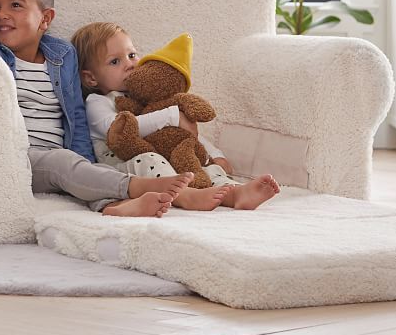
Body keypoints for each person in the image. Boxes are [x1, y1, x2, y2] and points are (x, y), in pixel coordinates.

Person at [0, 0, 195, 217]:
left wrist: (86, 160)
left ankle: (114, 206)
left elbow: (75, 116)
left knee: (83, 169)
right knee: (64, 164)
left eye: (16, 5)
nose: (1, 14)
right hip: (16, 159)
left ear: (45, 18)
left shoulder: (62, 56)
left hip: (60, 157)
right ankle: (134, 187)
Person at [71, 22, 280, 211]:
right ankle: (186, 195)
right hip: (125, 165)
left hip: (169, 157)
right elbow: (117, 128)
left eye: (132, 55)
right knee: (150, 160)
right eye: (115, 61)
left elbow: (185, 132)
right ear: (91, 78)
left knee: (202, 163)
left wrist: (214, 153)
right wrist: (171, 116)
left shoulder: (147, 97)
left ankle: (234, 192)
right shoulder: (98, 103)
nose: (130, 64)